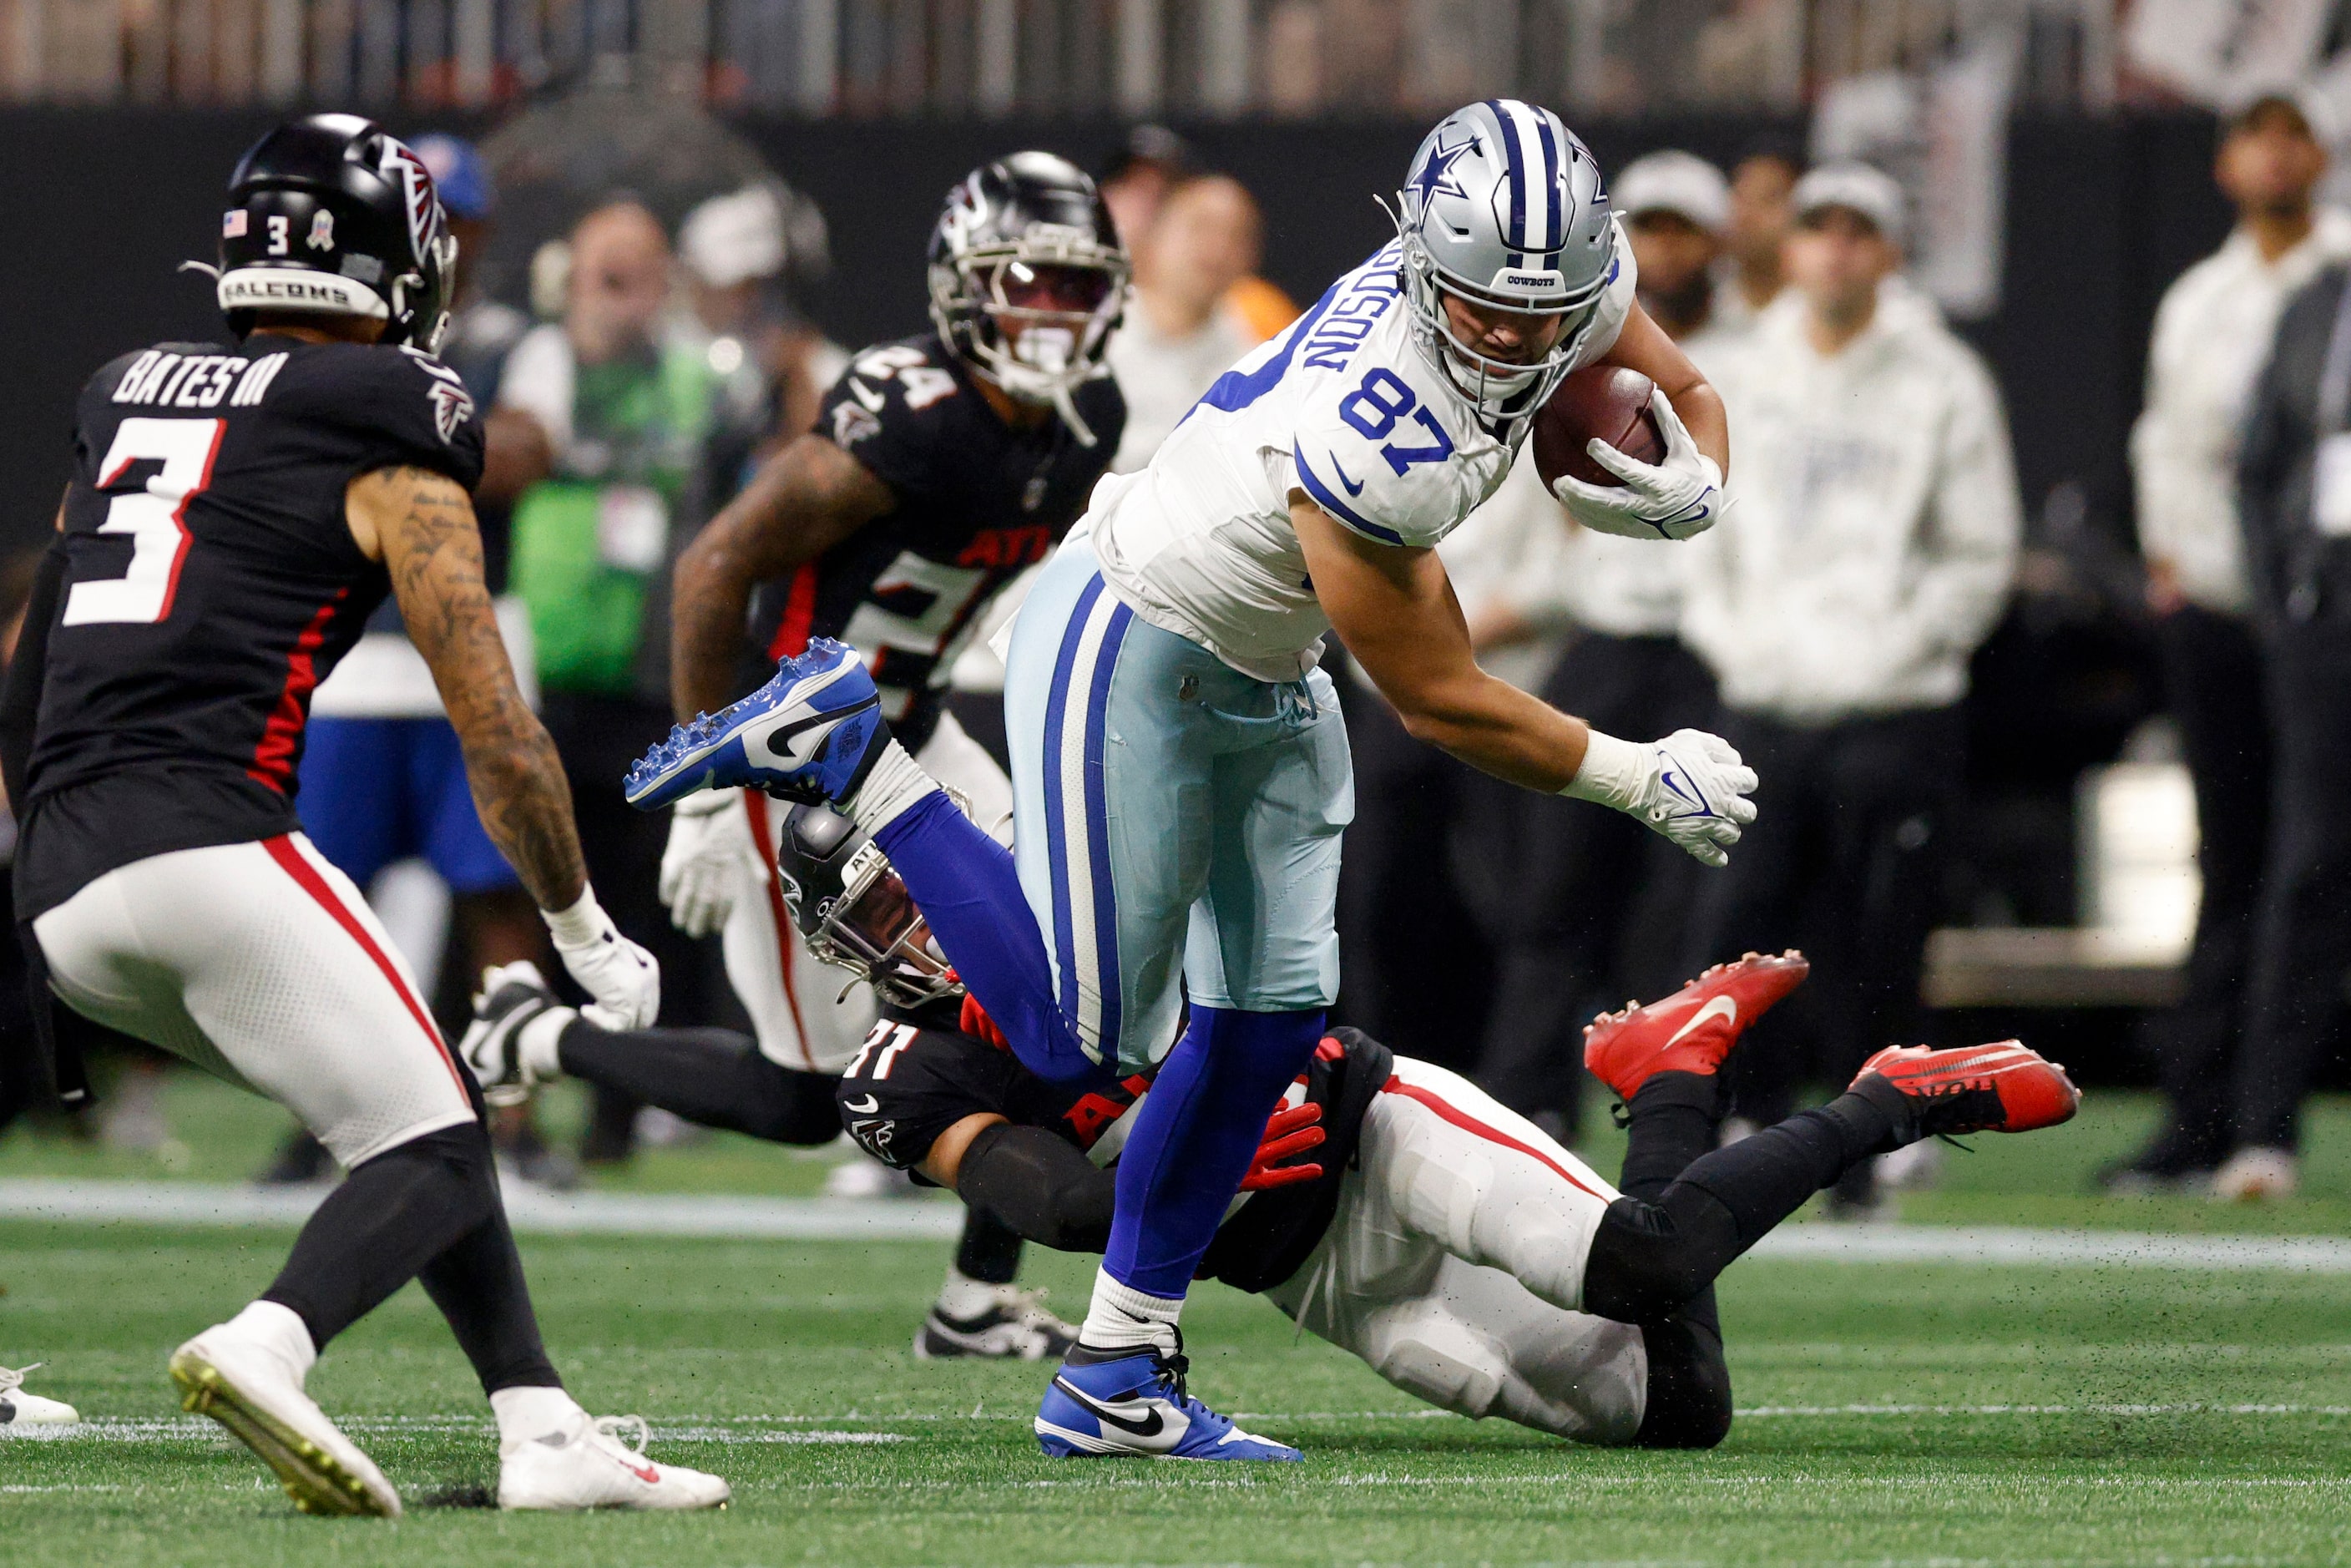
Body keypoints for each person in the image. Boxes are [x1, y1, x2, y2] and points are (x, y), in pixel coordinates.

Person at [626, 99, 1756, 1461]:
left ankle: (1113, 1370)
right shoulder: (1376, 429)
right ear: (1422, 262)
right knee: (1076, 1037)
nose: (1516, 339)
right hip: (1133, 642)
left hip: (1263, 667)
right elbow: (1439, 693)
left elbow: (1677, 386)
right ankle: (857, 756)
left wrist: (1700, 477)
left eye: (1545, 314)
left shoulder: (1559, 277)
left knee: (1269, 1019)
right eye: (1484, 311)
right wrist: (1639, 775)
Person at [0, 114, 722, 1512]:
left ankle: (543, 1424)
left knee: (412, 1117)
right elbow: (496, 727)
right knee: (441, 1135)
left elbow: (34, 665)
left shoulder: (124, 388)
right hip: (205, 841)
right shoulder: (395, 405)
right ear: (398, 262)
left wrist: (33, 854)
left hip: (67, 876)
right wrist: (580, 919)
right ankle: (270, 1341)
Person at [566, 154, 1126, 1340]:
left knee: (1061, 994)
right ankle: (538, 1032)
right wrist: (708, 787)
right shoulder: (911, 414)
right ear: (963, 285)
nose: (1051, 314)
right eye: (1027, 281)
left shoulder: (1089, 420)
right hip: (800, 753)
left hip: (916, 733)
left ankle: (976, 1297)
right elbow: (715, 565)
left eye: (1077, 289)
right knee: (805, 1102)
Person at [1678, 163, 2020, 1211]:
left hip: (1894, 703)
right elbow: (1694, 530)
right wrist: (1740, 649)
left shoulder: (1943, 381)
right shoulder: (1734, 371)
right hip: (1765, 696)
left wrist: (1903, 651)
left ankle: (1882, 1119)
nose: (1834, 248)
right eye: (1816, 228)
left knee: (1881, 921)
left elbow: (1978, 550)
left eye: (1856, 231)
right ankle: (1747, 1110)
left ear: (1887, 253)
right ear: (1787, 250)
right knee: (1745, 917)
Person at [267, 130, 565, 1190]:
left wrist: (383, 417)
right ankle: (324, 1116)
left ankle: (519, 1118)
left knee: (497, 896)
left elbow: (525, 452)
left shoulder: (510, 336)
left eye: (454, 215)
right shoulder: (342, 323)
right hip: (350, 661)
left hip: (467, 656)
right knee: (321, 900)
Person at [1442, 150, 1743, 1136]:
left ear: (1713, 243)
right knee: (1549, 894)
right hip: (1599, 637)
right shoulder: (1558, 340)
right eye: (1645, 229)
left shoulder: (1755, 359)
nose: (1661, 249)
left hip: (1709, 649)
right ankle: (1525, 1099)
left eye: (1680, 230)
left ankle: (1673, 1105)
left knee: (1686, 902)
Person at [2116, 90, 2351, 1196]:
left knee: (2312, 866)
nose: (2274, 152)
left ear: (2318, 154)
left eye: (2290, 132)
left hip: (2323, 612)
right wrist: (2171, 561)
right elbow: (2166, 440)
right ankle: (2203, 1116)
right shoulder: (2201, 298)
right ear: (2224, 163)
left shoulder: (2341, 275)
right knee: (2232, 866)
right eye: (2252, 133)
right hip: (2219, 604)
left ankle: (2267, 1120)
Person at [499, 198, 750, 1165]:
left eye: (638, 266)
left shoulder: (700, 376)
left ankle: (631, 1105)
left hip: (654, 674)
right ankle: (532, 1094)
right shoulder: (533, 361)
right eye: (605, 266)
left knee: (654, 899)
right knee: (556, 889)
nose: (621, 284)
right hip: (550, 671)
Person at [2222, 142, 2351, 1200]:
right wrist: (2284, 602)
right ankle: (2262, 1130)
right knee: (2306, 867)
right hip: (2328, 617)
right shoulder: (2314, 305)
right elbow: (2258, 463)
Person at [1107, 175, 1275, 473]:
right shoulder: (1095, 332)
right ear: (1156, 235)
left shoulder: (1257, 366)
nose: (1216, 249)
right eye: (1200, 227)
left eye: (1236, 236)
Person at [1714, 149, 1797, 330]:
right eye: (1741, 197)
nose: (1748, 216)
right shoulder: (1703, 299)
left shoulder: (1822, 304)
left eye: (1768, 199)